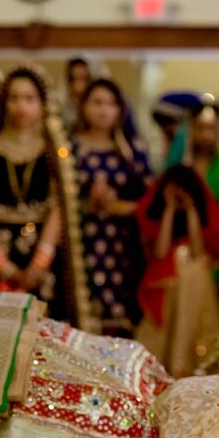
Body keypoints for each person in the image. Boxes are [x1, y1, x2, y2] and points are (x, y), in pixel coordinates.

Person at [0, 67, 92, 330]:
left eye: (29, 99)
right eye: (14, 98)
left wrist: (40, 260)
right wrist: (0, 261)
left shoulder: (54, 150)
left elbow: (59, 206)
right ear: (3, 102)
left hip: (42, 250)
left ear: (43, 104)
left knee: (44, 332)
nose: (21, 106)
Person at [72, 78, 151, 335]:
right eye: (97, 102)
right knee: (83, 306)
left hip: (122, 244)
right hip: (81, 240)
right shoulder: (69, 148)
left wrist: (119, 207)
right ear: (84, 106)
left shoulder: (131, 150)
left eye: (111, 103)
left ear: (121, 109)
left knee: (121, 313)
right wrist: (87, 203)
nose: (104, 110)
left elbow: (151, 201)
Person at [136, 164, 219, 376]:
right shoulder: (158, 214)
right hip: (169, 286)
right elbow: (160, 251)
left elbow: (197, 251)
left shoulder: (199, 214)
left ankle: (183, 366)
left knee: (194, 272)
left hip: (192, 286)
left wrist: (191, 209)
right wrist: (169, 208)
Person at [167, 100, 219, 216]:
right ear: (191, 130)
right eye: (200, 128)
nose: (205, 135)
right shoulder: (180, 162)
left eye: (211, 128)